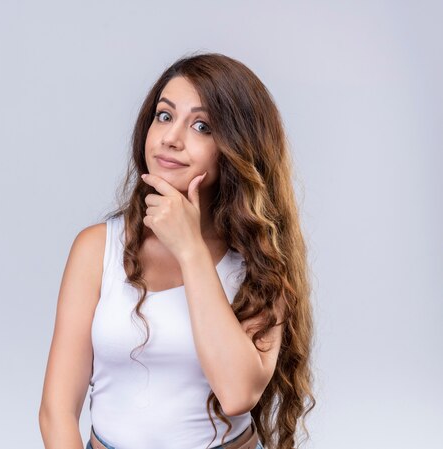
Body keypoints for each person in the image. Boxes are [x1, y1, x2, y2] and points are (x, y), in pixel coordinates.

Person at [39, 52, 315, 449]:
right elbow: (56, 410)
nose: (171, 137)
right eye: (165, 116)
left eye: (202, 126)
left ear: (237, 149)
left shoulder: (261, 264)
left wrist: (190, 250)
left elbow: (238, 394)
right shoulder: (96, 249)